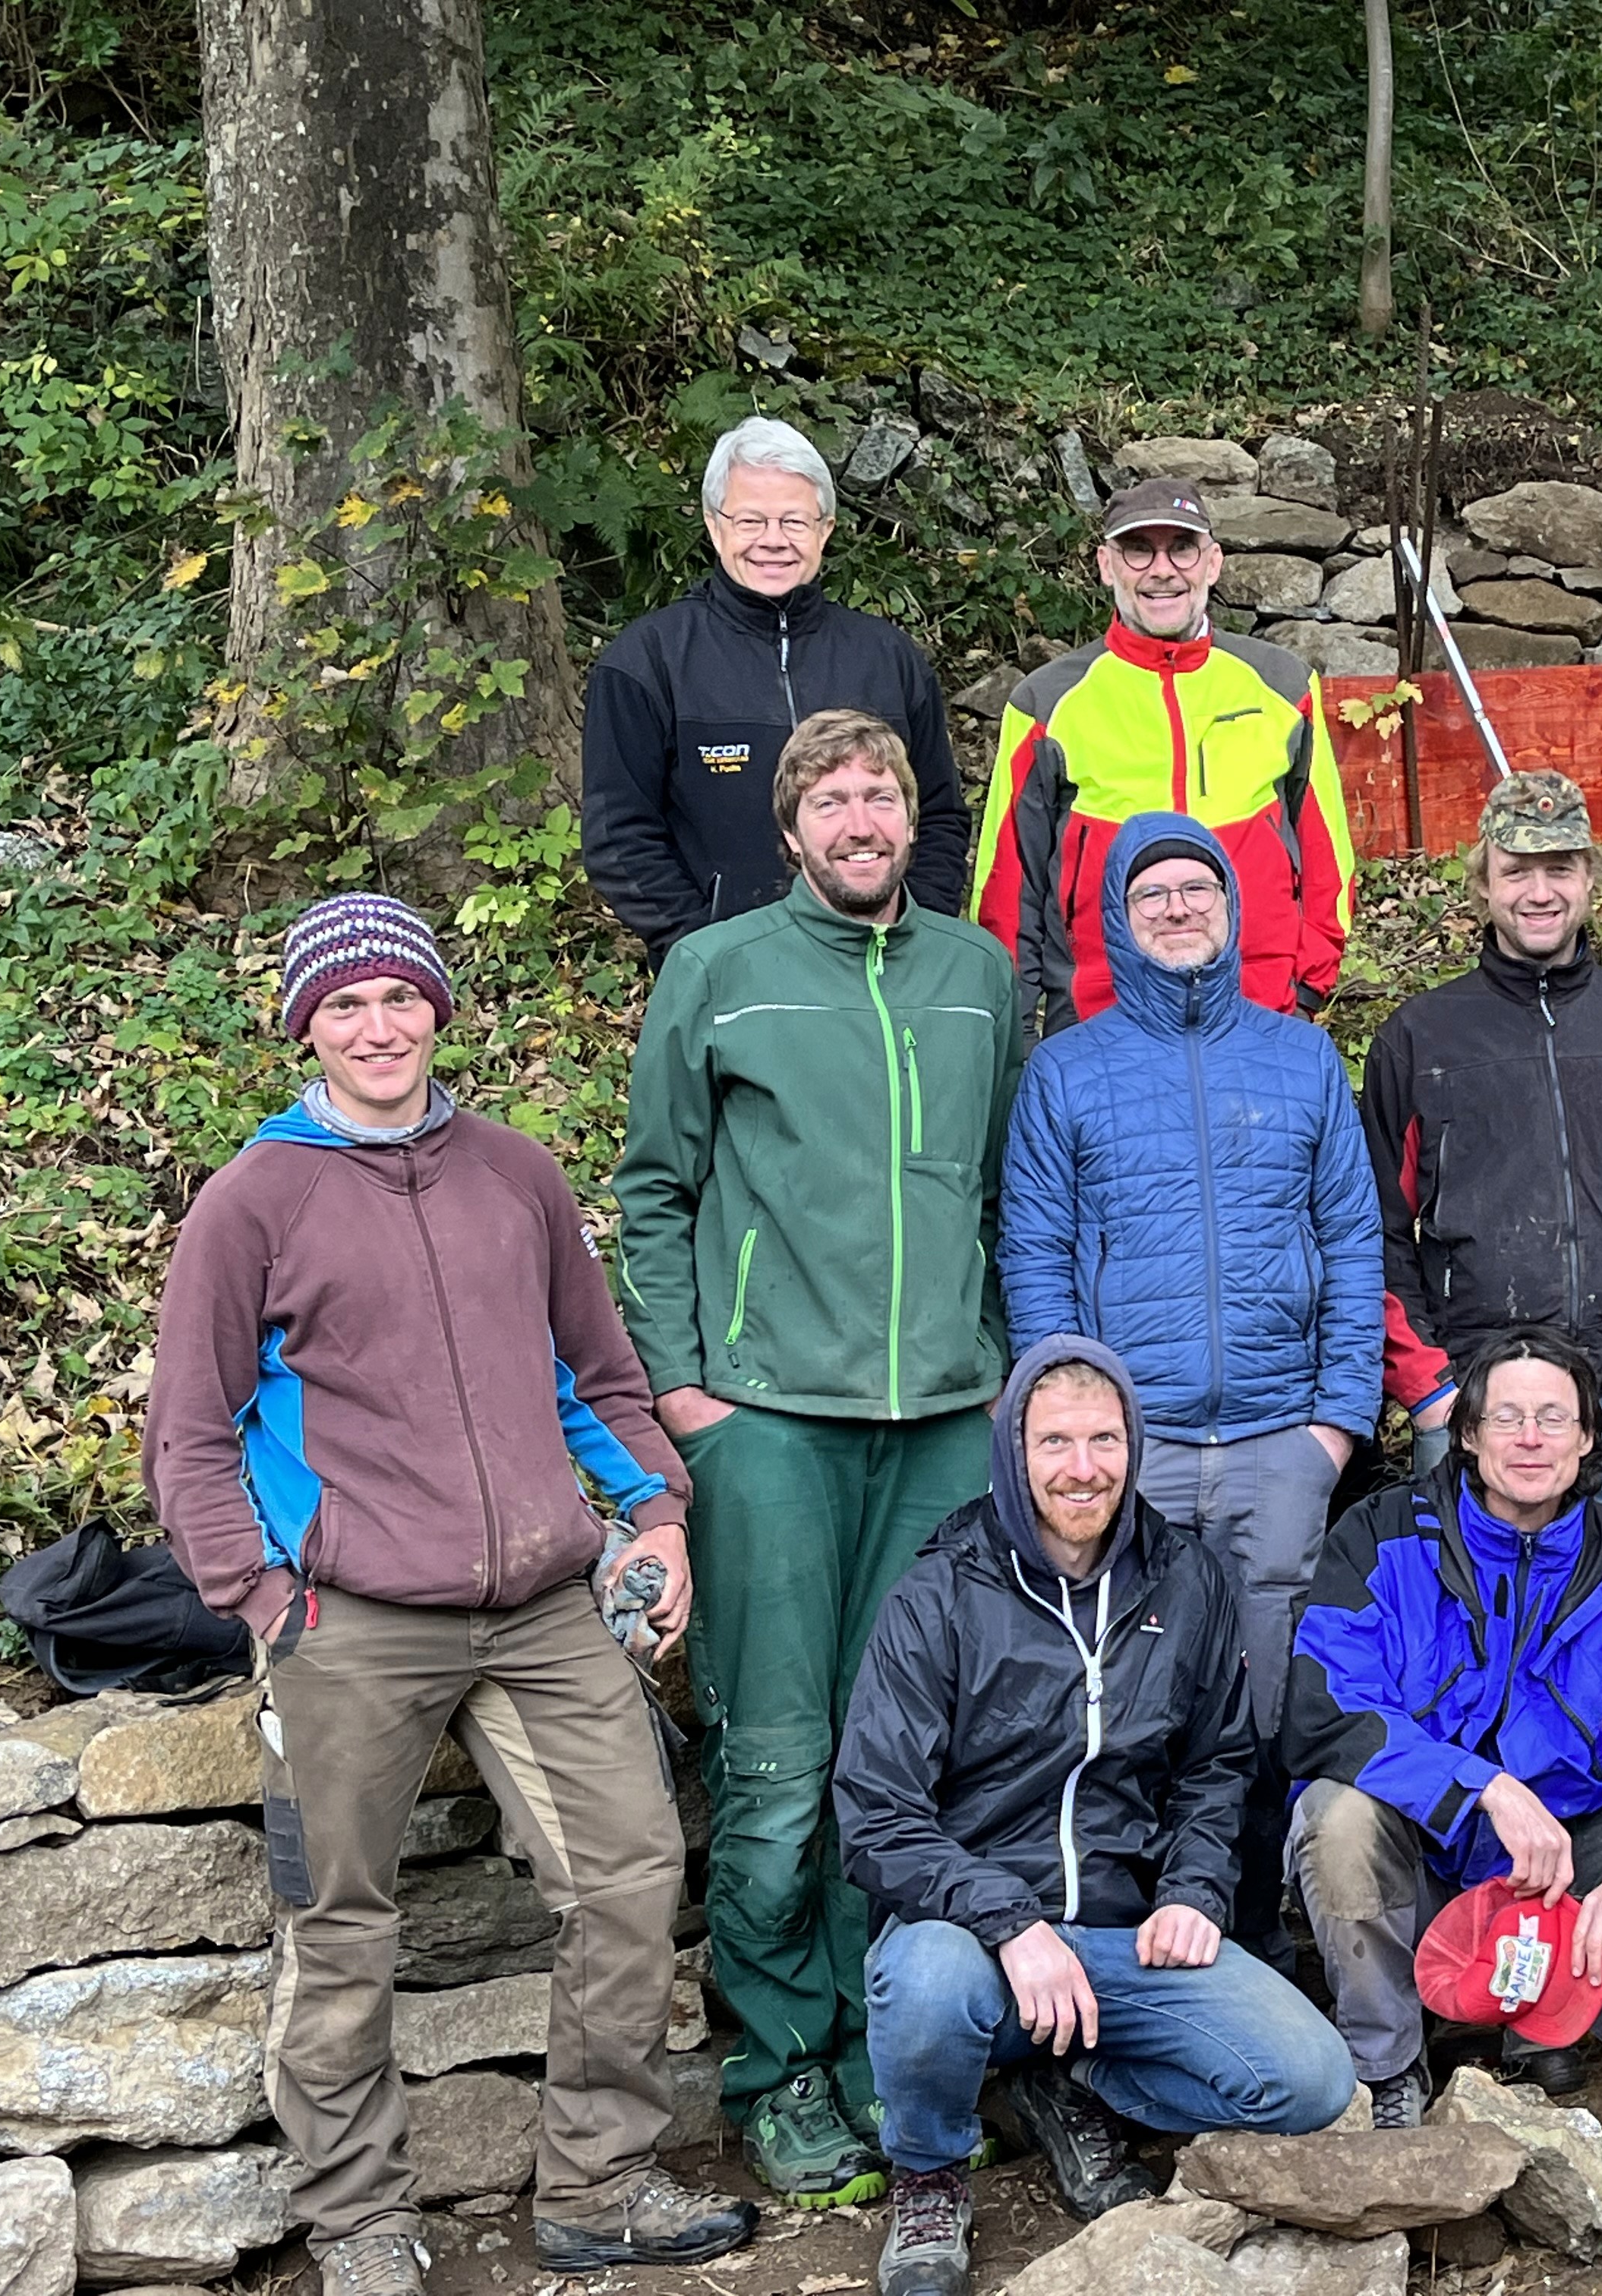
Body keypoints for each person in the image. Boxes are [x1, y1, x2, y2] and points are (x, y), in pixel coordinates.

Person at [144, 894, 754, 2295]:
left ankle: (598, 2183)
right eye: (344, 1004)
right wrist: (261, 1593)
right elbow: (188, 1432)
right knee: (339, 1922)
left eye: (399, 997)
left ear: (437, 1010)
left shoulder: (513, 1172)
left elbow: (595, 1375)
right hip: (349, 1619)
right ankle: (359, 2216)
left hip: (542, 1605)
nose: (378, 1026)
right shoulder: (253, 1200)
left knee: (631, 1876)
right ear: (305, 1026)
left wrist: (656, 1513)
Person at [613, 708, 1026, 2207]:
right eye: (832, 800)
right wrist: (688, 1395)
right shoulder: (718, 971)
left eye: (882, 795)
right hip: (772, 1419)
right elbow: (654, 1191)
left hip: (942, 1428)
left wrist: (1001, 1373)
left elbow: (1002, 1191)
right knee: (781, 1759)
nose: (861, 820)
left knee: (907, 1756)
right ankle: (780, 2065)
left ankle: (888, 2051)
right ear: (789, 830)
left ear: (913, 818)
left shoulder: (977, 976)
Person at [834, 1337, 1357, 2296]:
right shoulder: (939, 1592)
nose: (1083, 1468)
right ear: (1013, 1451)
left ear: (1134, 1444)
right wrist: (1009, 1921)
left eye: (1105, 1440)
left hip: (1123, 1938)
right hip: (974, 1941)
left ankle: (1074, 2081)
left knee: (1312, 2080)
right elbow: (876, 1813)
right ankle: (931, 2173)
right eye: (1055, 1443)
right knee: (926, 1979)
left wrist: (1194, 1891)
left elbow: (1217, 1764)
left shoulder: (1186, 1578)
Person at [998, 810, 1380, 1948]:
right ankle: (1131, 1951)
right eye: (1153, 892)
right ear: (1120, 919)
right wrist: (1075, 1433)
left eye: (1196, 888)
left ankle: (1261, 1953)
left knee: (1267, 1713)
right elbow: (1035, 1255)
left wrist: (1336, 1424)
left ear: (1232, 906)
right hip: (1135, 1452)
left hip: (1279, 1443)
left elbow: (1353, 1240)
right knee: (1130, 1707)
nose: (1178, 908)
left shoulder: (1300, 1058)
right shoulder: (1068, 1069)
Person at [1282, 1326, 1602, 2125]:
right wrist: (1481, 1787)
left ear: (1586, 1438)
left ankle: (1535, 2023)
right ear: (1469, 1436)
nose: (1531, 1438)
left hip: (1558, 1874)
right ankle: (1389, 2066)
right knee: (1334, 1816)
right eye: (1506, 1418)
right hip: (1418, 1860)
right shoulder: (1379, 1537)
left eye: (1553, 1418)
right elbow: (1329, 1709)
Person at [1362, 772, 1602, 1584]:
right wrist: (1428, 1387)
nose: (1540, 892)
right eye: (1517, 871)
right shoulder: (1420, 1038)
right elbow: (1375, 1232)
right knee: (1467, 1627)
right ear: (1483, 883)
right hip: (1475, 1401)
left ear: (1590, 878)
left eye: (1560, 868)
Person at [967, 480, 1355, 1036]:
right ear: (1106, 565)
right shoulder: (1047, 703)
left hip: (1261, 1010)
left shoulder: (1282, 685)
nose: (1162, 570)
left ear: (1213, 563)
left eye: (1181, 548)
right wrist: (1019, 1030)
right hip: (1100, 1021)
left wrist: (1306, 990)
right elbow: (1008, 884)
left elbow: (1326, 855)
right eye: (1138, 550)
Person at [585, 417, 973, 965]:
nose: (773, 540)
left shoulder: (889, 659)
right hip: (725, 975)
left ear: (825, 530)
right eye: (750, 520)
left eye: (794, 521)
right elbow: (619, 836)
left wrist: (914, 933)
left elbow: (939, 816)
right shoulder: (648, 662)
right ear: (714, 526)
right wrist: (705, 951)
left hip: (882, 966)